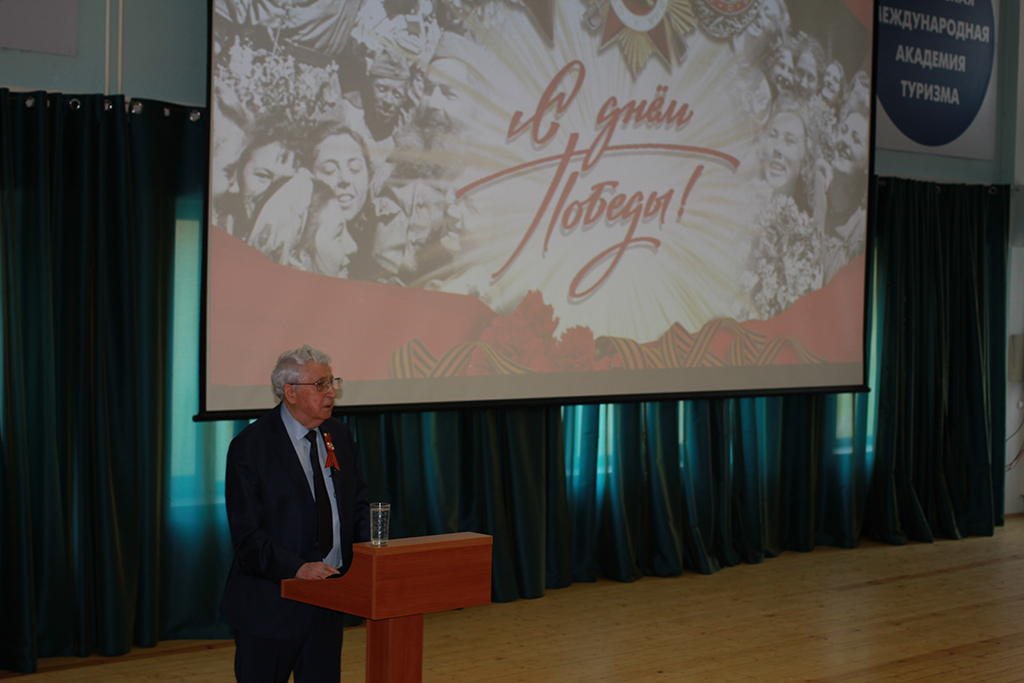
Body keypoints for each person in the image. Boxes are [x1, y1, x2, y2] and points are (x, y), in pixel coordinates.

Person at [220, 345, 370, 683]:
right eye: (321, 385)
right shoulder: (251, 446)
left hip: (328, 598)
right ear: (290, 392)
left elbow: (357, 505)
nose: (332, 392)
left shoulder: (339, 435)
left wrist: (368, 561)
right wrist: (298, 568)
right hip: (271, 605)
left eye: (332, 382)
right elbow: (247, 535)